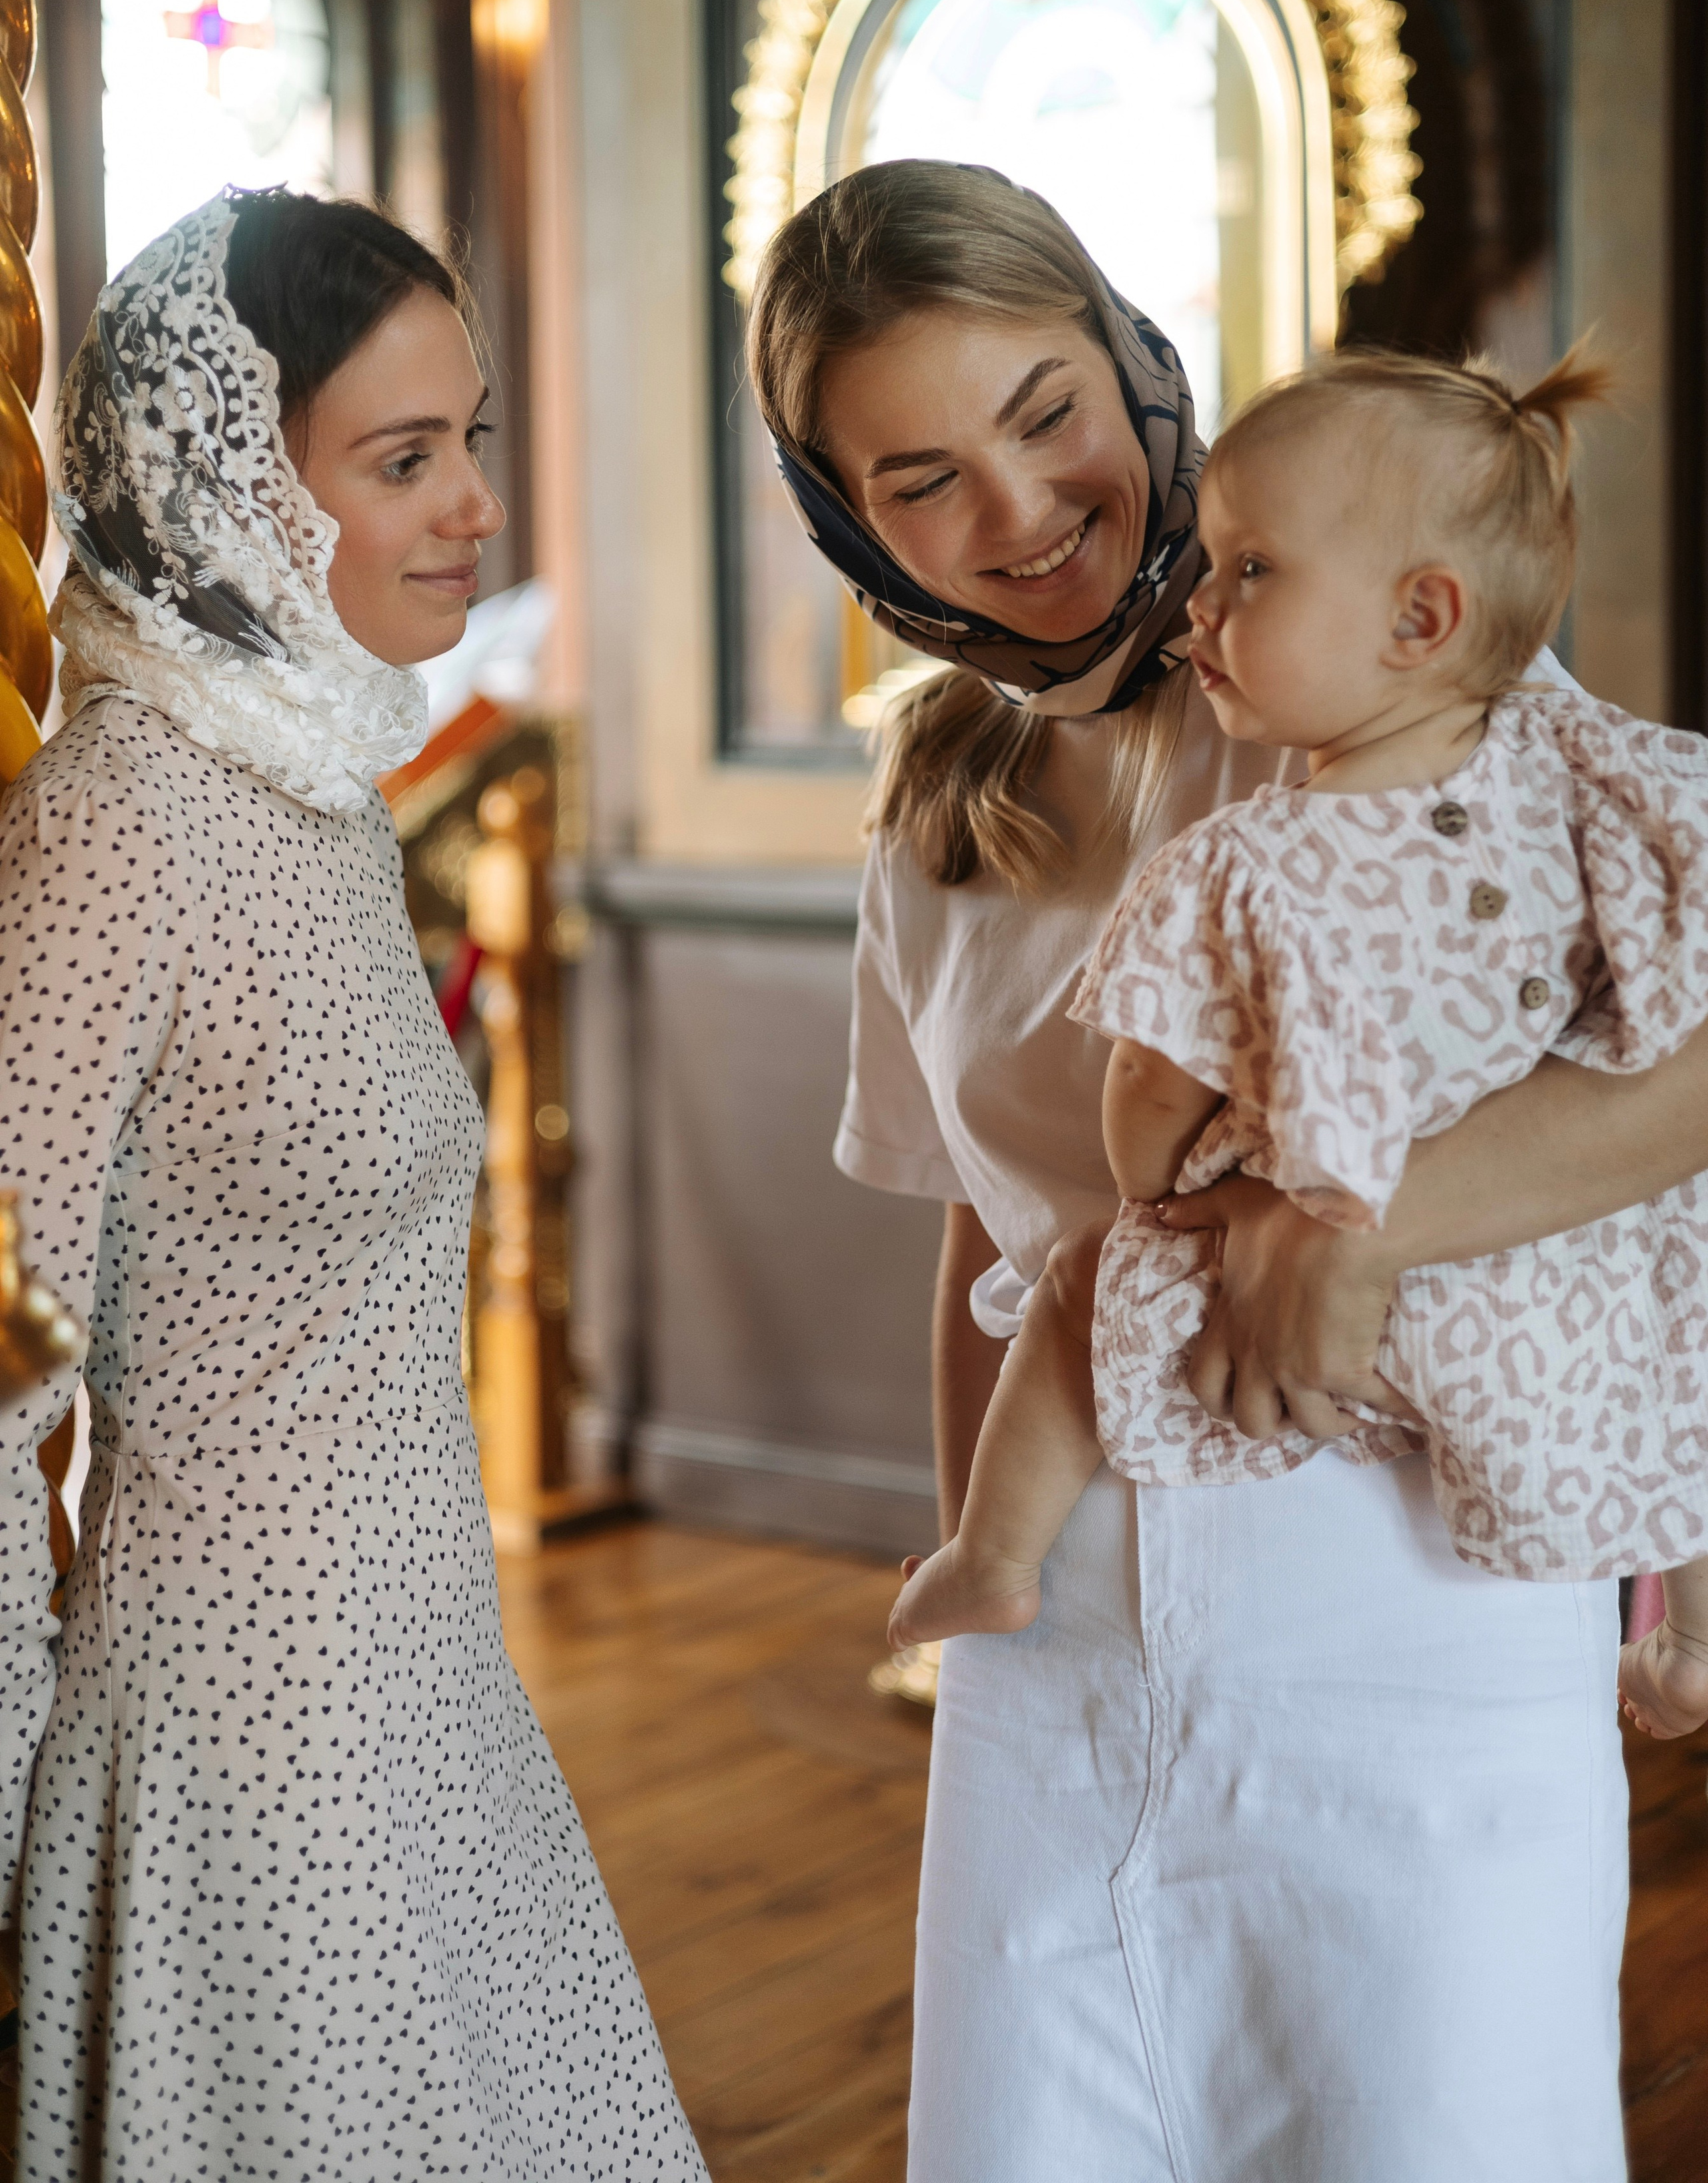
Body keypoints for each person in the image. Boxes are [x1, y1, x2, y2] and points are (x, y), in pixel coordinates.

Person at [745, 157, 1708, 2183]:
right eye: (919, 480)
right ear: (849, 520)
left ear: (1133, 364)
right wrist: (980, 1606)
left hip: (1410, 1589)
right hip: (1066, 1653)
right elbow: (974, 1241)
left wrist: (1344, 1235)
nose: (1017, 512)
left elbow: (1684, 1071)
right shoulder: (926, 809)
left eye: (1043, 412)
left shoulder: (1383, 674)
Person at [0, 192, 706, 2178]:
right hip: (245, 1747)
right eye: (404, 458)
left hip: (424, 1688)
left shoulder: (312, 783)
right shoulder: (121, 819)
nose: (474, 500)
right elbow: (0, 1360)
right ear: (230, 478)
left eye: (471, 436)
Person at [884, 344, 1708, 1721]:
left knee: (1086, 1269)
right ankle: (1684, 1633)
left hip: (1297, 1352)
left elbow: (1144, 1122)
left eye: (1249, 571)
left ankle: (990, 1550)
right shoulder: (1599, 792)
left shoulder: (1246, 861)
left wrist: (1164, 1157)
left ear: (1417, 618)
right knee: (1676, 1302)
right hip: (1550, 1314)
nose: (1201, 603)